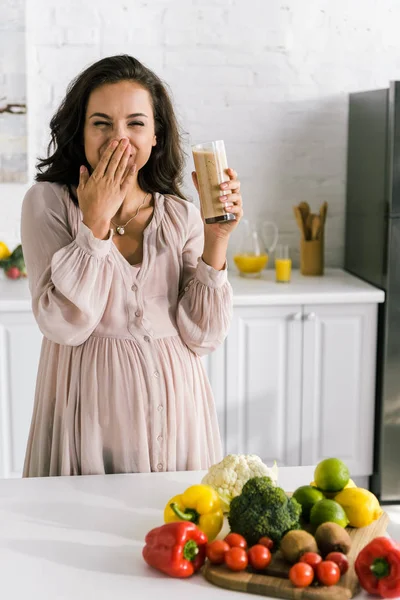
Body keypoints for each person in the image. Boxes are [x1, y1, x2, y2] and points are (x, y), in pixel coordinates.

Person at [21, 54, 243, 477]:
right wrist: (96, 222)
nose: (118, 138)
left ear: (156, 134)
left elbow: (203, 335)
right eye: (101, 123)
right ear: (80, 132)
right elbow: (65, 324)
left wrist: (218, 237)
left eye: (135, 123)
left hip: (180, 419)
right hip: (85, 422)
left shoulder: (181, 215)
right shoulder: (48, 203)